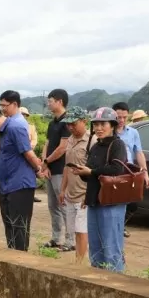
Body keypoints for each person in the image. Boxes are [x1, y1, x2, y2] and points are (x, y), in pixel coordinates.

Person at [69, 108, 129, 272]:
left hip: (111, 203)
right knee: (95, 248)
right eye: (96, 125)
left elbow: (116, 169)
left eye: (103, 124)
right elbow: (92, 175)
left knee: (111, 247)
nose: (99, 128)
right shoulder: (96, 146)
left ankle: (116, 283)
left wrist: (91, 172)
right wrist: (83, 173)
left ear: (112, 125)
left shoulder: (117, 145)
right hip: (94, 201)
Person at [0, 102, 43, 250]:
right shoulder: (4, 131)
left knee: (19, 225)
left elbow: (28, 152)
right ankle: (12, 257)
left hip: (20, 184)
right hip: (7, 184)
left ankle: (20, 259)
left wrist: (39, 169)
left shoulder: (15, 127)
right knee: (9, 224)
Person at [113, 102, 149, 238]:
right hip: (114, 171)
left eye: (124, 117)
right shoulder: (108, 132)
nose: (121, 120)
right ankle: (115, 228)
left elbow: (139, 153)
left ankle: (120, 225)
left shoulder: (133, 133)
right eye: (118, 117)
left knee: (132, 203)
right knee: (114, 202)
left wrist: (144, 172)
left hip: (129, 172)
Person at [58, 107, 91, 263]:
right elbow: (67, 167)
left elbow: (94, 172)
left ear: (84, 121)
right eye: (68, 124)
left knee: (82, 230)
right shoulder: (70, 140)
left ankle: (80, 263)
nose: (70, 127)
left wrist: (89, 195)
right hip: (71, 193)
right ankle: (78, 259)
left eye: (73, 123)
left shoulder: (92, 141)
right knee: (74, 231)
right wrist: (62, 189)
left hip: (83, 194)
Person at [39, 89, 70, 250]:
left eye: (50, 100)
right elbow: (48, 143)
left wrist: (47, 162)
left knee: (64, 204)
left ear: (59, 101)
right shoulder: (52, 123)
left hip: (61, 169)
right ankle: (56, 238)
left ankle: (70, 240)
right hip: (50, 169)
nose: (48, 103)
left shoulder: (67, 122)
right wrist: (45, 163)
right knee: (53, 205)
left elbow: (63, 147)